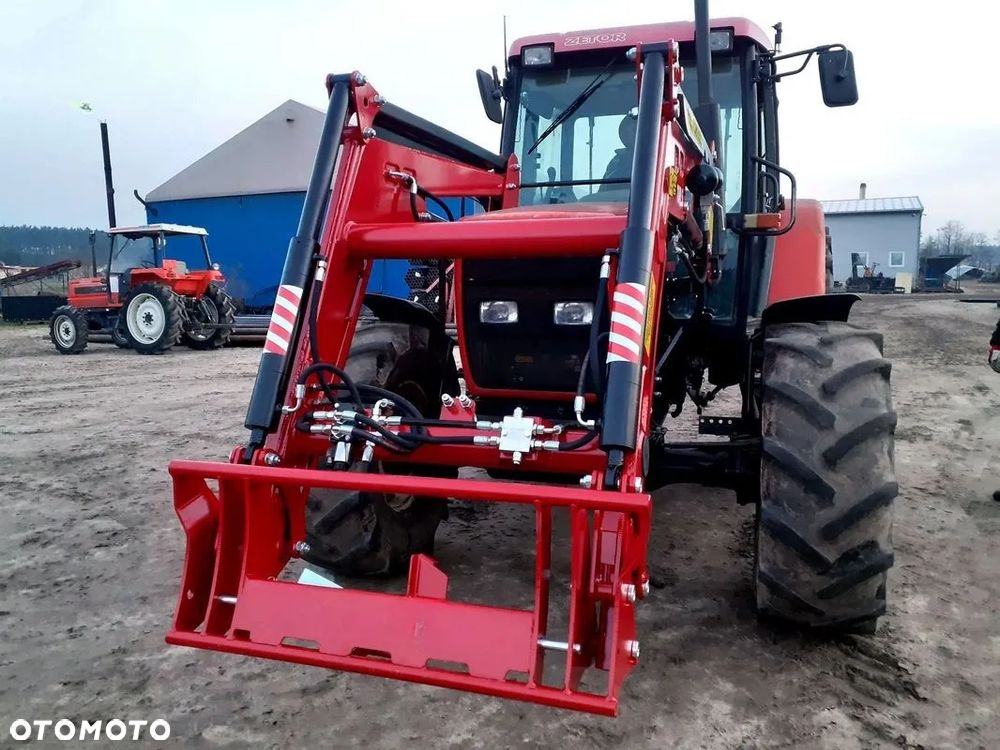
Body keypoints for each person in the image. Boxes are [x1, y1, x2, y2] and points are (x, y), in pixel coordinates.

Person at [599, 115, 637, 191]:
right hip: (613, 200)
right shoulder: (617, 160)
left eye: (633, 131)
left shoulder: (655, 157)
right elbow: (603, 190)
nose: (628, 136)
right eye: (625, 133)